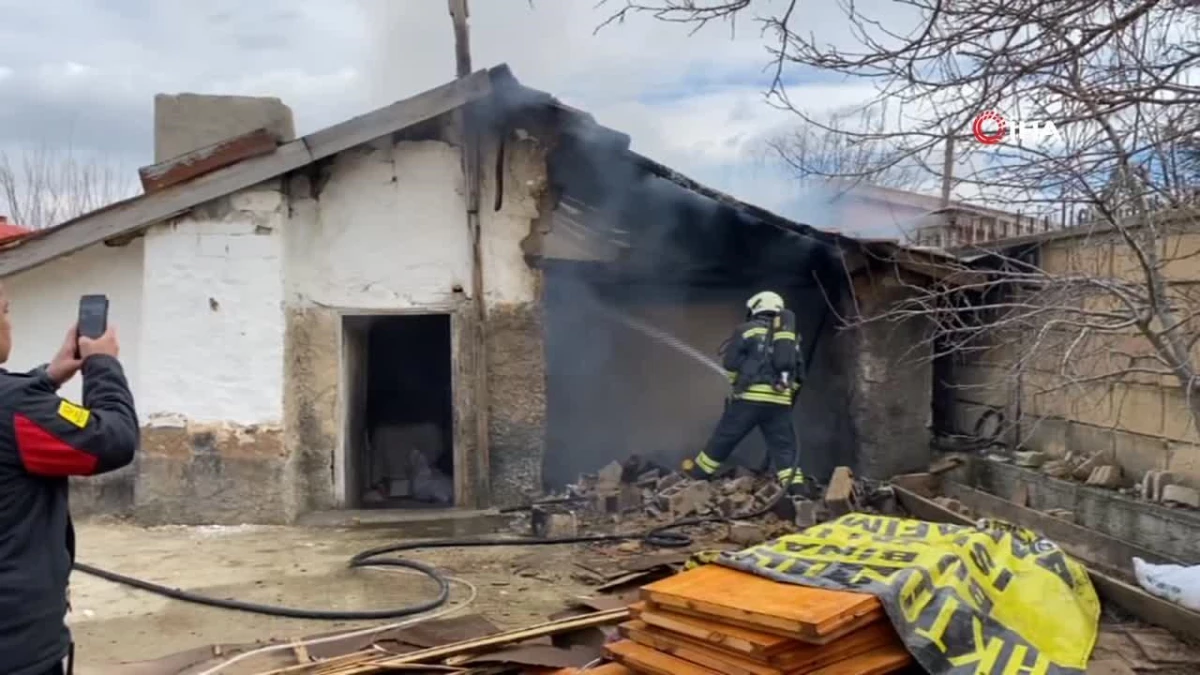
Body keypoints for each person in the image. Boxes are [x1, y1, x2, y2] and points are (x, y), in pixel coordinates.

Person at [0, 285, 139, 675]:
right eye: (6, 311)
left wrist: (46, 377)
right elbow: (112, 440)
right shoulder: (14, 409)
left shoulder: (15, 405)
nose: (9, 323)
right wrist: (102, 366)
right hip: (17, 650)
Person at [683, 290, 808, 494]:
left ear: (756, 307)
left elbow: (730, 363)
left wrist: (737, 386)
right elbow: (799, 374)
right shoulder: (790, 338)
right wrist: (784, 395)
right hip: (779, 404)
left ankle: (697, 475)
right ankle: (798, 491)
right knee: (785, 449)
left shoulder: (746, 330)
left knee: (724, 439)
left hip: (749, 400)